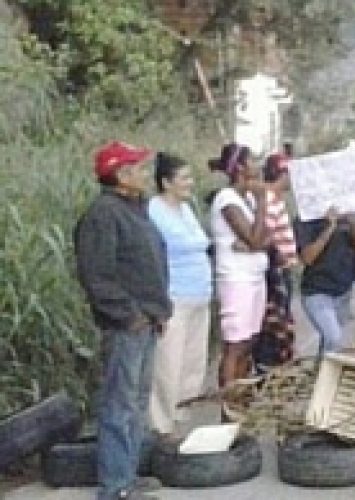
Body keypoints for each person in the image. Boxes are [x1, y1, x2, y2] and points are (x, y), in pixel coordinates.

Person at [75, 141, 170, 500]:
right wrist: (128, 315)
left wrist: (158, 312)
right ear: (120, 175)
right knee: (120, 405)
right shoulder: (102, 215)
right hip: (127, 325)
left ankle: (128, 475)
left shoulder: (135, 209)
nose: (146, 174)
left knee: (136, 402)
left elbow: (148, 266)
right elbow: (96, 275)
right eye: (137, 168)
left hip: (146, 321)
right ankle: (115, 486)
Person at [146, 153, 212, 443]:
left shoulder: (186, 209)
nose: (190, 183)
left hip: (199, 295)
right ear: (166, 182)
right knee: (168, 364)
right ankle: (161, 424)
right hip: (174, 297)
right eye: (184, 178)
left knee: (192, 364)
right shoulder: (154, 211)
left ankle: (180, 419)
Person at [208, 144, 270, 392]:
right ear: (241, 168)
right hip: (237, 279)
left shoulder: (247, 200)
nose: (258, 165)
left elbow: (265, 238)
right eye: (253, 161)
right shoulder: (227, 199)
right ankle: (229, 406)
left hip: (254, 276)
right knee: (235, 345)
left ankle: (241, 400)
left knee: (249, 342)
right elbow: (257, 239)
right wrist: (263, 201)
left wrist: (255, 243)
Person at [297, 207, 355, 357]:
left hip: (343, 290)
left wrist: (354, 226)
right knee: (334, 337)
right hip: (317, 290)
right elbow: (307, 257)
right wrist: (329, 227)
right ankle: (325, 376)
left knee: (330, 343)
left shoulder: (347, 219)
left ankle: (321, 376)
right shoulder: (307, 220)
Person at [253, 154, 298, 372]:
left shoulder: (275, 199)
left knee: (279, 324)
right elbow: (266, 235)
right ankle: (267, 373)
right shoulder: (269, 200)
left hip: (281, 270)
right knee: (274, 327)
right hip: (275, 272)